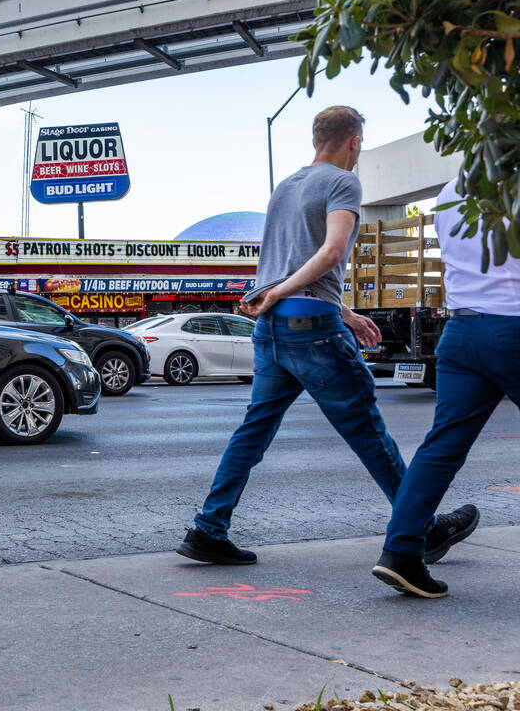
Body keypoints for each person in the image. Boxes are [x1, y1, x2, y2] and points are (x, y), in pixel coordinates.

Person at [177, 105, 477, 566]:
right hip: (309, 329)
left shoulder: (286, 186)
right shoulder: (344, 181)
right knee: (368, 432)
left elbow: (291, 265)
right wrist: (300, 298)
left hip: (273, 327)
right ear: (354, 141)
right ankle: (424, 531)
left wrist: (345, 311)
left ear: (316, 138)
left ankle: (208, 528)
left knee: (253, 431)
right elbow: (332, 250)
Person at [371, 179, 520, 597]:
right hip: (513, 326)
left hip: (461, 331)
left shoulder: (450, 192)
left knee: (441, 447)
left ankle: (400, 552)